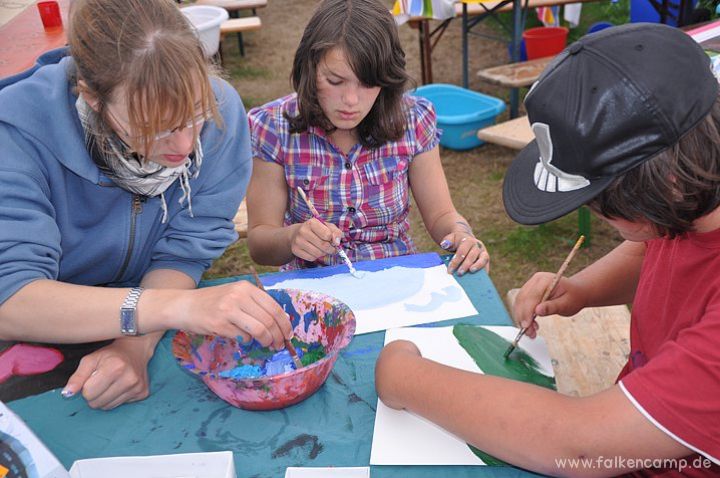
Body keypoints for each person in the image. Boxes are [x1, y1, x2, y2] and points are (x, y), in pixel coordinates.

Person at [375, 23, 720, 476]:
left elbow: (582, 448)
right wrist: (581, 289)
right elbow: (660, 247)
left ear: (667, 185)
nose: (599, 218)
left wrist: (406, 380)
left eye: (598, 206)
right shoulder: (695, 205)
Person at [0, 0, 292, 410]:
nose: (185, 146)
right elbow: (12, 300)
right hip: (41, 330)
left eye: (194, 114)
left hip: (152, 316)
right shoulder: (16, 133)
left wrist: (134, 346)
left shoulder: (221, 110)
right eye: (154, 128)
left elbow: (184, 251)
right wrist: (174, 307)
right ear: (93, 99)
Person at [245, 0, 489, 275]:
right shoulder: (275, 127)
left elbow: (441, 216)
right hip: (313, 285)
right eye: (335, 81)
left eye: (368, 83)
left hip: (397, 278)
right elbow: (259, 242)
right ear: (309, 69)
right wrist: (292, 238)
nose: (350, 100)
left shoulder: (412, 120)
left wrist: (463, 236)